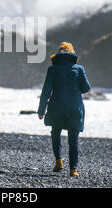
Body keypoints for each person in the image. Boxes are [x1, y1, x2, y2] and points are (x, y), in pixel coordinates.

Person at [38, 42, 91, 177]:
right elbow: (86, 88)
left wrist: (41, 110)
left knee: (55, 132)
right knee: (73, 138)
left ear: (59, 54)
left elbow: (46, 91)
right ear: (72, 54)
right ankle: (73, 170)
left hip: (57, 107)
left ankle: (59, 160)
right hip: (75, 107)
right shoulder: (79, 68)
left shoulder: (53, 69)